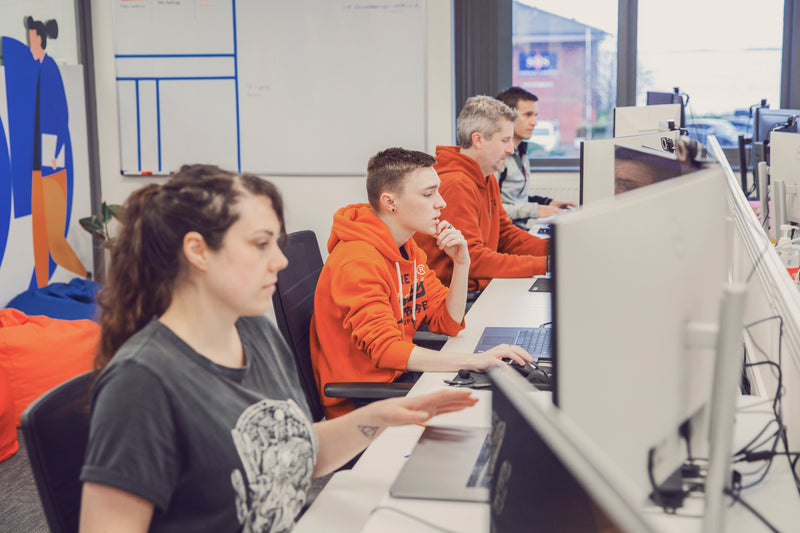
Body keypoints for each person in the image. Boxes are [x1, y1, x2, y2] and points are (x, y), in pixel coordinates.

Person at [78, 164, 481, 533]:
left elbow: (292, 453)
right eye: (260, 244)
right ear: (198, 251)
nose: (280, 262)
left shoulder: (254, 333)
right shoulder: (141, 382)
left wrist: (383, 415)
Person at [310, 148, 533, 419]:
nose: (441, 203)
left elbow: (448, 321)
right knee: (482, 417)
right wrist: (475, 360)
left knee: (493, 405)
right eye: (429, 194)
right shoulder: (358, 261)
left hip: (400, 380)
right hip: (363, 402)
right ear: (390, 202)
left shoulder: (407, 247)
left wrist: (462, 264)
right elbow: (386, 350)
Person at [414, 96, 550, 293]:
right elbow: (473, 260)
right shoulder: (456, 184)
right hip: (454, 298)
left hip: (476, 289)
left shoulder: (486, 177)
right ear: (478, 140)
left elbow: (505, 235)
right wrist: (545, 264)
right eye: (504, 140)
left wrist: (556, 249)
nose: (511, 149)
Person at [494, 87, 577, 229]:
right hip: (508, 232)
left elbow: (516, 200)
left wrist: (547, 203)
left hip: (523, 226)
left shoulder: (521, 152)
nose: (534, 122)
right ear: (508, 117)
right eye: (527, 115)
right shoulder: (497, 157)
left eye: (535, 115)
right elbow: (492, 210)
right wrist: (536, 210)